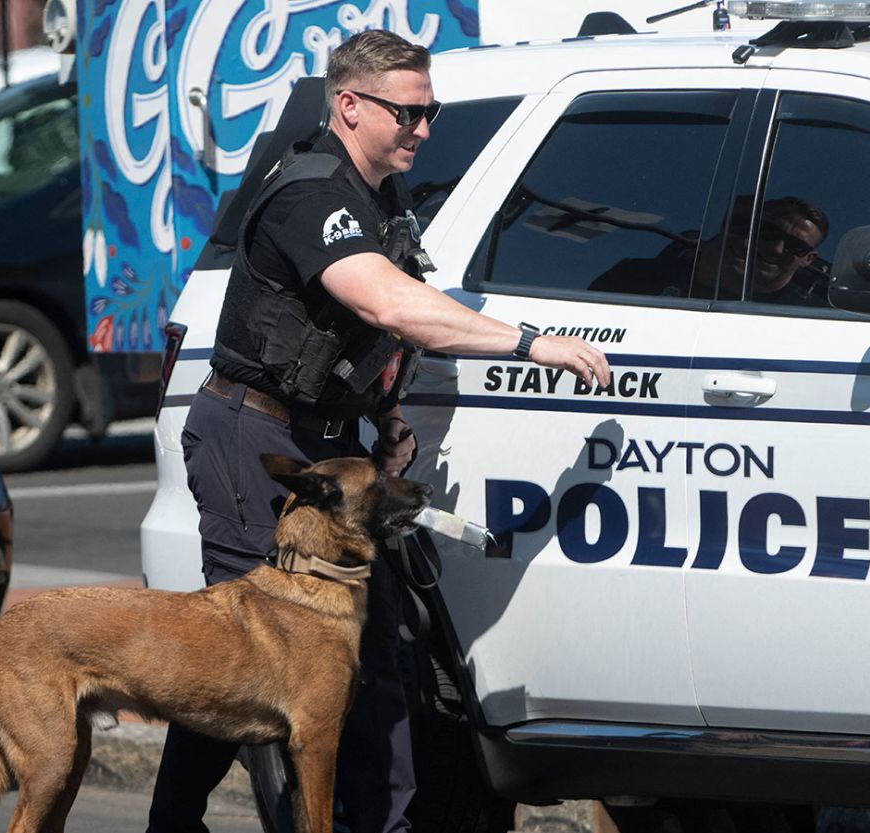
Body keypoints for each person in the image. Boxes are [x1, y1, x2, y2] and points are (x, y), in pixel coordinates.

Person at [146, 29, 611, 833]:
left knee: (374, 658)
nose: (424, 130)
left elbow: (359, 336)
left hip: (329, 450)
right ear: (349, 106)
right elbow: (388, 306)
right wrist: (532, 342)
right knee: (237, 660)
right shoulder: (310, 191)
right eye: (409, 113)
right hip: (253, 445)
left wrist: (386, 414)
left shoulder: (378, 195)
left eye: (431, 113)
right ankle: (175, 823)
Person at [588, 196, 828, 304]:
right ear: (741, 228)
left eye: (794, 246)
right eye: (769, 233)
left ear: (809, 259)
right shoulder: (634, 279)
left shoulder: (811, 319)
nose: (776, 249)